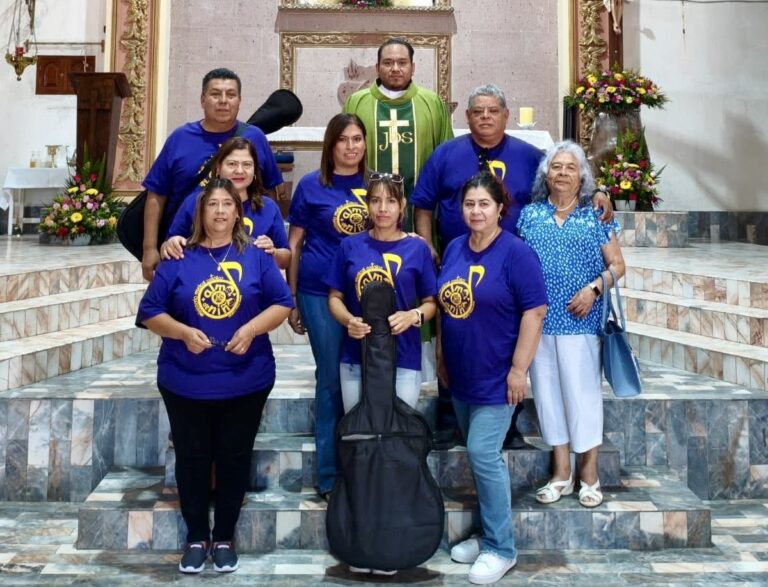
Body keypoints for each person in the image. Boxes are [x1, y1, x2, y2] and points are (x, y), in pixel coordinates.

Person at [412, 84, 613, 449]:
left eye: (493, 110)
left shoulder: (529, 155)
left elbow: (564, 177)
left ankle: (511, 423)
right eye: (477, 111)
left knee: (504, 343)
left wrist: (599, 193)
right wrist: (426, 244)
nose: (485, 117)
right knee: (457, 329)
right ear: (467, 117)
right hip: (461, 257)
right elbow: (423, 203)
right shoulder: (445, 154)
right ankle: (449, 417)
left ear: (506, 115)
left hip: (510, 267)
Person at [136, 178, 292, 573]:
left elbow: (282, 302)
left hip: (245, 378)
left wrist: (251, 329)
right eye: (212, 205)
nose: (220, 211)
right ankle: (195, 536)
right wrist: (183, 333)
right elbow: (150, 311)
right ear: (199, 213)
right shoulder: (178, 258)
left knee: (234, 457)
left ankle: (223, 535)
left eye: (227, 204)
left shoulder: (255, 256)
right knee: (192, 458)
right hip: (185, 379)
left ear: (237, 212)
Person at [438, 172, 546, 585]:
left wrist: (519, 369)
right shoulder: (453, 248)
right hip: (461, 374)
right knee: (478, 456)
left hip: (498, 377)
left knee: (484, 455)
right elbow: (449, 307)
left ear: (501, 207)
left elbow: (534, 313)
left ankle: (502, 548)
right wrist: (443, 357)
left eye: (484, 204)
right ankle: (487, 534)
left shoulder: (516, 253)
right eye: (470, 204)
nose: (476, 211)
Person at [517, 141, 625, 509]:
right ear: (545, 175)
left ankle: (589, 473)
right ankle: (561, 471)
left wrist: (594, 289)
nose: (562, 172)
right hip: (540, 322)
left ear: (582, 176)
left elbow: (617, 266)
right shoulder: (529, 216)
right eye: (555, 167)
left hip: (581, 321)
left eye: (569, 167)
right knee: (547, 396)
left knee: (583, 396)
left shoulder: (596, 215)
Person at [286, 113, 369, 499]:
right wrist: (290, 297)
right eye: (344, 140)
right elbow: (296, 243)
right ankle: (330, 474)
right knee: (331, 378)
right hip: (319, 291)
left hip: (367, 293)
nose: (351, 146)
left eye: (357, 139)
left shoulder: (376, 185)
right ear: (331, 145)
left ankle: (366, 464)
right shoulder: (310, 185)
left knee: (367, 377)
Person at [141, 67, 283, 281]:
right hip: (187, 251)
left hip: (245, 257)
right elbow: (156, 195)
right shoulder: (180, 138)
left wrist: (272, 246)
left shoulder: (255, 137)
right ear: (202, 99)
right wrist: (149, 247)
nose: (223, 101)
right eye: (215, 94)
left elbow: (269, 191)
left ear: (239, 100)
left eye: (231, 95)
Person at [327, 172, 437, 415]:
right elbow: (334, 297)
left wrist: (413, 316)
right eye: (375, 200)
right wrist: (348, 320)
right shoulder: (350, 246)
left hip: (403, 356)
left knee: (399, 435)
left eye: (391, 201)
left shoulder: (417, 248)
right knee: (359, 435)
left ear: (403, 205)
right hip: (357, 356)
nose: (382, 208)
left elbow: (431, 302)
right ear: (367, 204)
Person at [343, 37, 453, 205]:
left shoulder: (432, 103)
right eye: (388, 63)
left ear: (413, 67)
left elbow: (446, 156)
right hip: (365, 202)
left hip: (422, 207)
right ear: (377, 68)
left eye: (402, 63)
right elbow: (341, 153)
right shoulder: (356, 102)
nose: (395, 69)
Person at [160, 136, 290, 269]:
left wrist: (272, 252)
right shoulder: (194, 202)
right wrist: (170, 245)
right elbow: (167, 246)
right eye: (232, 164)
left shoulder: (268, 208)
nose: (239, 171)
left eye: (247, 164)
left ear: (255, 170)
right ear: (218, 168)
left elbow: (285, 258)